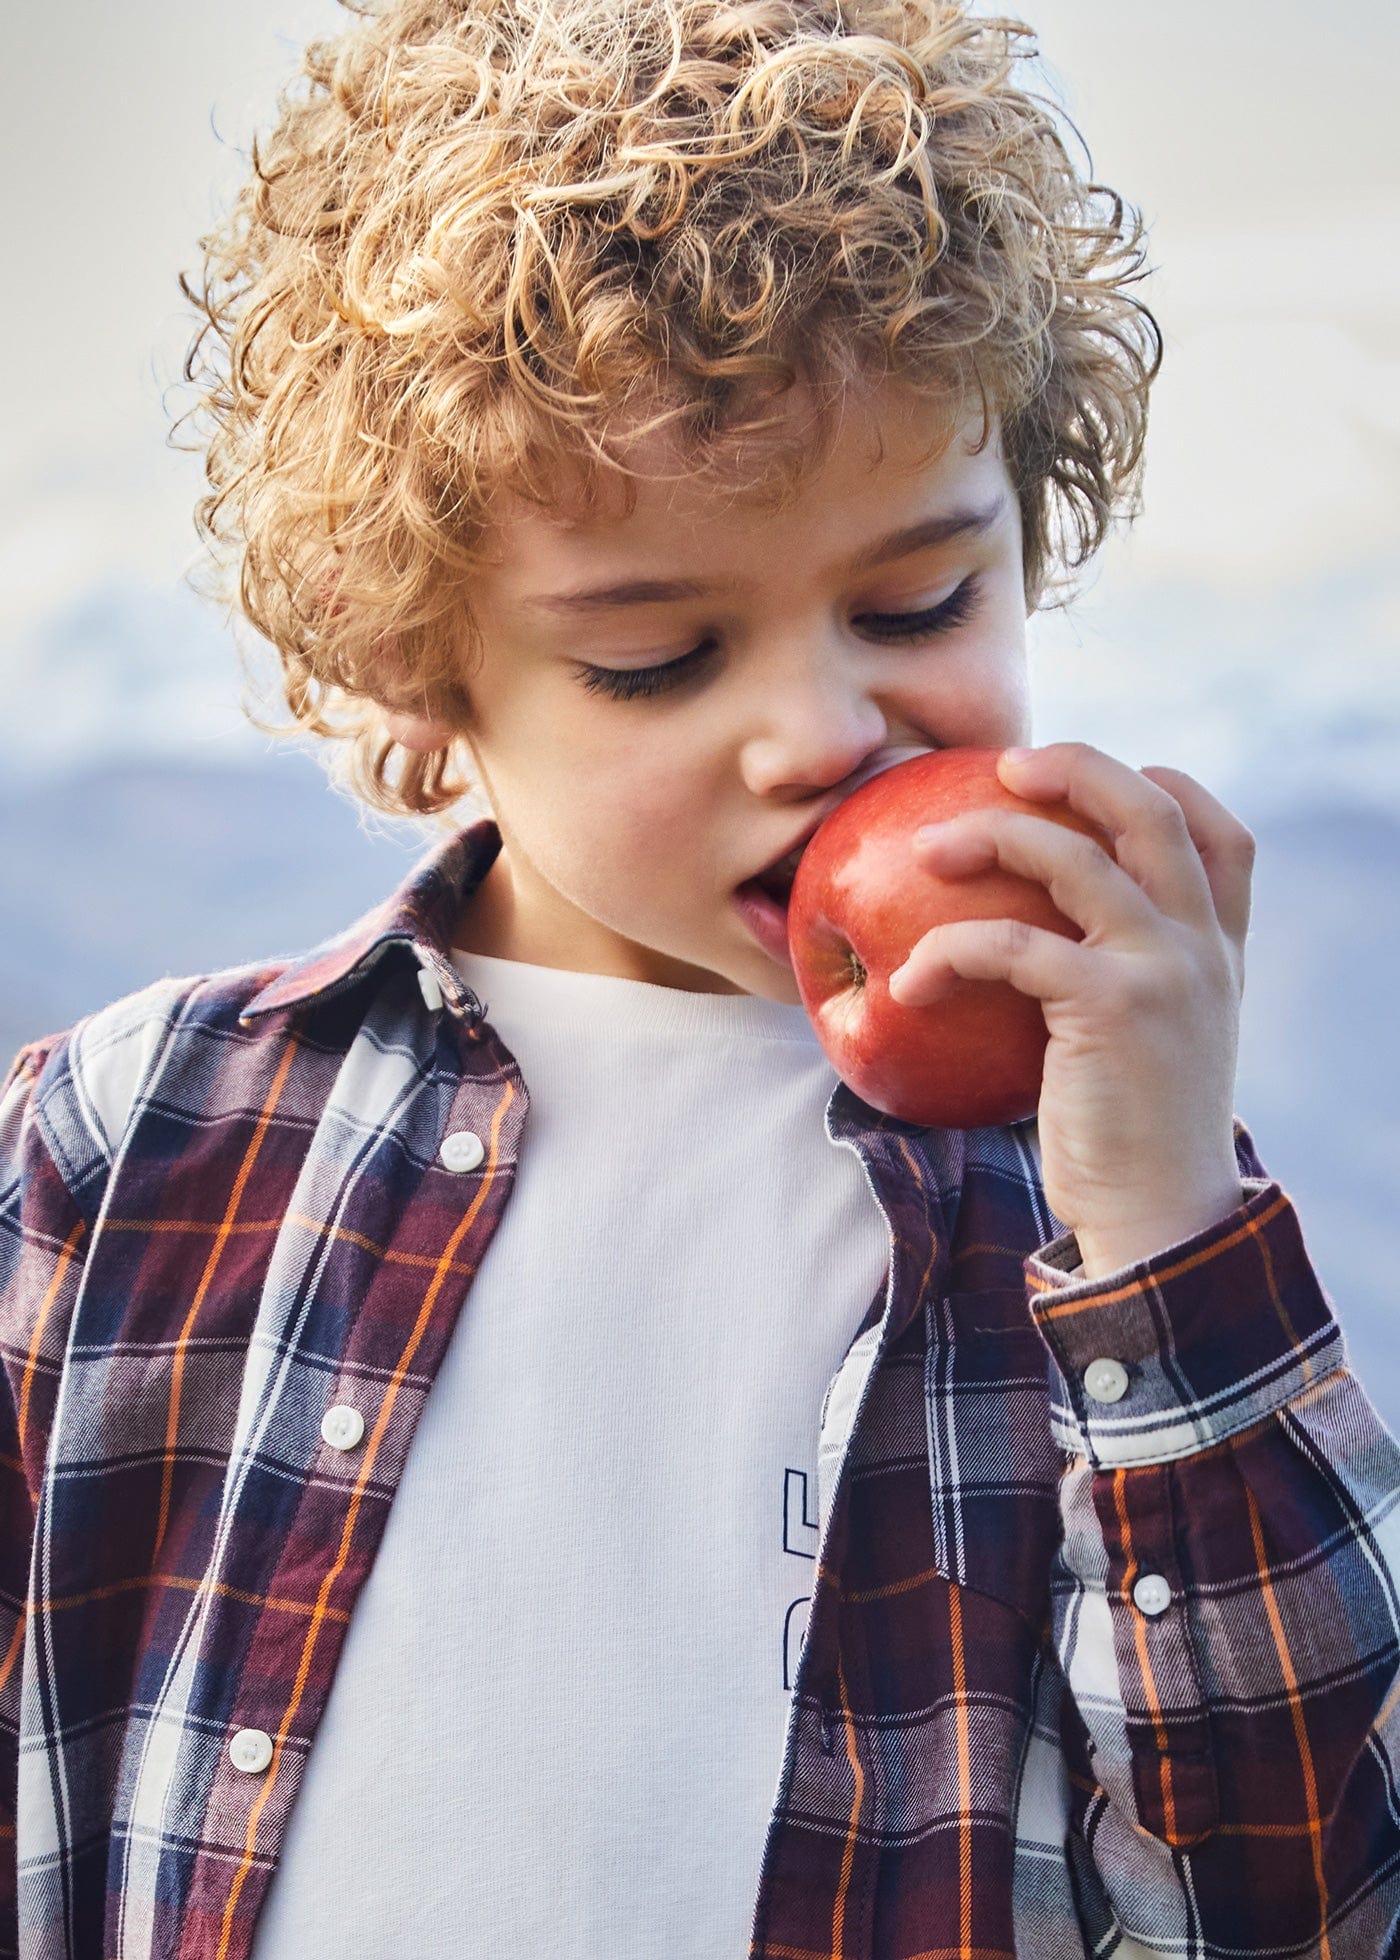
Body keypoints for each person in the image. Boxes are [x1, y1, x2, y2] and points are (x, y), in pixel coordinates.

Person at [3, 0, 1398, 1952]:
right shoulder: (125, 1150)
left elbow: (1307, 1889)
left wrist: (1167, 1228)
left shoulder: (1094, 1235)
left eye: (916, 601)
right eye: (657, 654)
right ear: (424, 665)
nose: (819, 728)